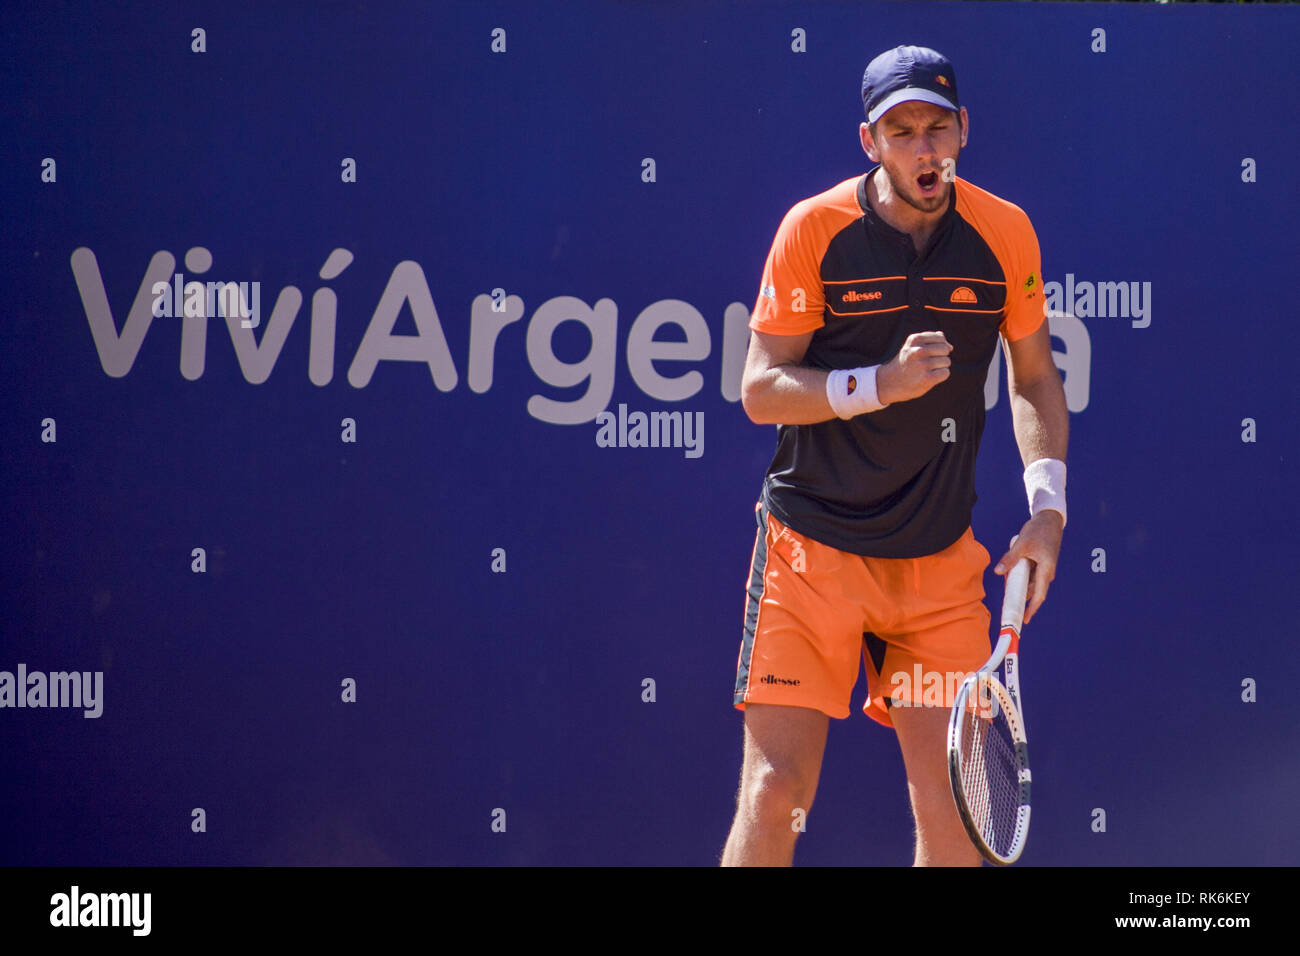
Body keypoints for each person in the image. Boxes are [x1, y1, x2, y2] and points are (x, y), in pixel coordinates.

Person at [722, 45, 1069, 867]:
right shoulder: (813, 229)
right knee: (776, 798)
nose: (923, 149)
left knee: (953, 825)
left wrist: (1048, 512)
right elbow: (761, 388)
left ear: (962, 132)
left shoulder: (1005, 234)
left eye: (936, 129)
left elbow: (1032, 379)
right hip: (811, 556)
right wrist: (876, 384)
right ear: (870, 141)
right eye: (901, 131)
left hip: (937, 567)